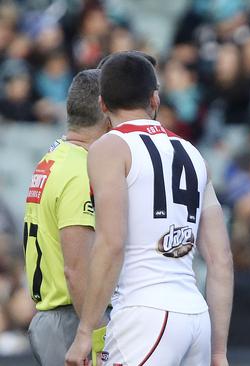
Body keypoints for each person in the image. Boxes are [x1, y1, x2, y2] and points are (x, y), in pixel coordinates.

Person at [65, 51, 234, 366]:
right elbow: (220, 259)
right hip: (196, 316)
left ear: (102, 104)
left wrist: (85, 330)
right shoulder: (193, 153)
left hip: (145, 314)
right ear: (154, 99)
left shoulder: (111, 148)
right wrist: (219, 351)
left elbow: (111, 243)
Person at [23, 69, 108, 366]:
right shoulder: (82, 170)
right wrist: (94, 336)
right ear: (105, 110)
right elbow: (77, 268)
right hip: (73, 319)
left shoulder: (53, 159)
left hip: (55, 316)